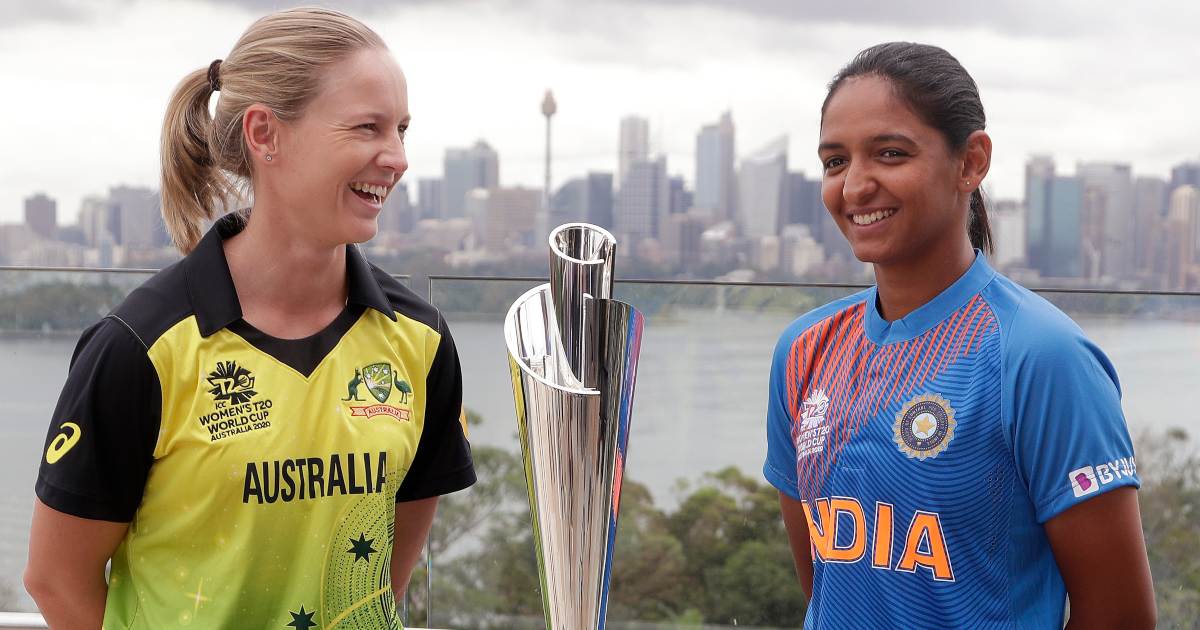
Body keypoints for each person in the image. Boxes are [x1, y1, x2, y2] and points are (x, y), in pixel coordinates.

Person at [24, 8, 475, 628]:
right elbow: (56, 580)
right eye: (368, 128)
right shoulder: (141, 348)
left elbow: (377, 593)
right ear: (265, 135)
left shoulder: (419, 342)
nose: (396, 158)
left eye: (401, 129)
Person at [763, 42, 1155, 628]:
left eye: (890, 154)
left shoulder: (1040, 357)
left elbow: (1119, 615)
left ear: (971, 162)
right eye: (835, 161)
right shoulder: (804, 351)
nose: (854, 187)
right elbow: (826, 585)